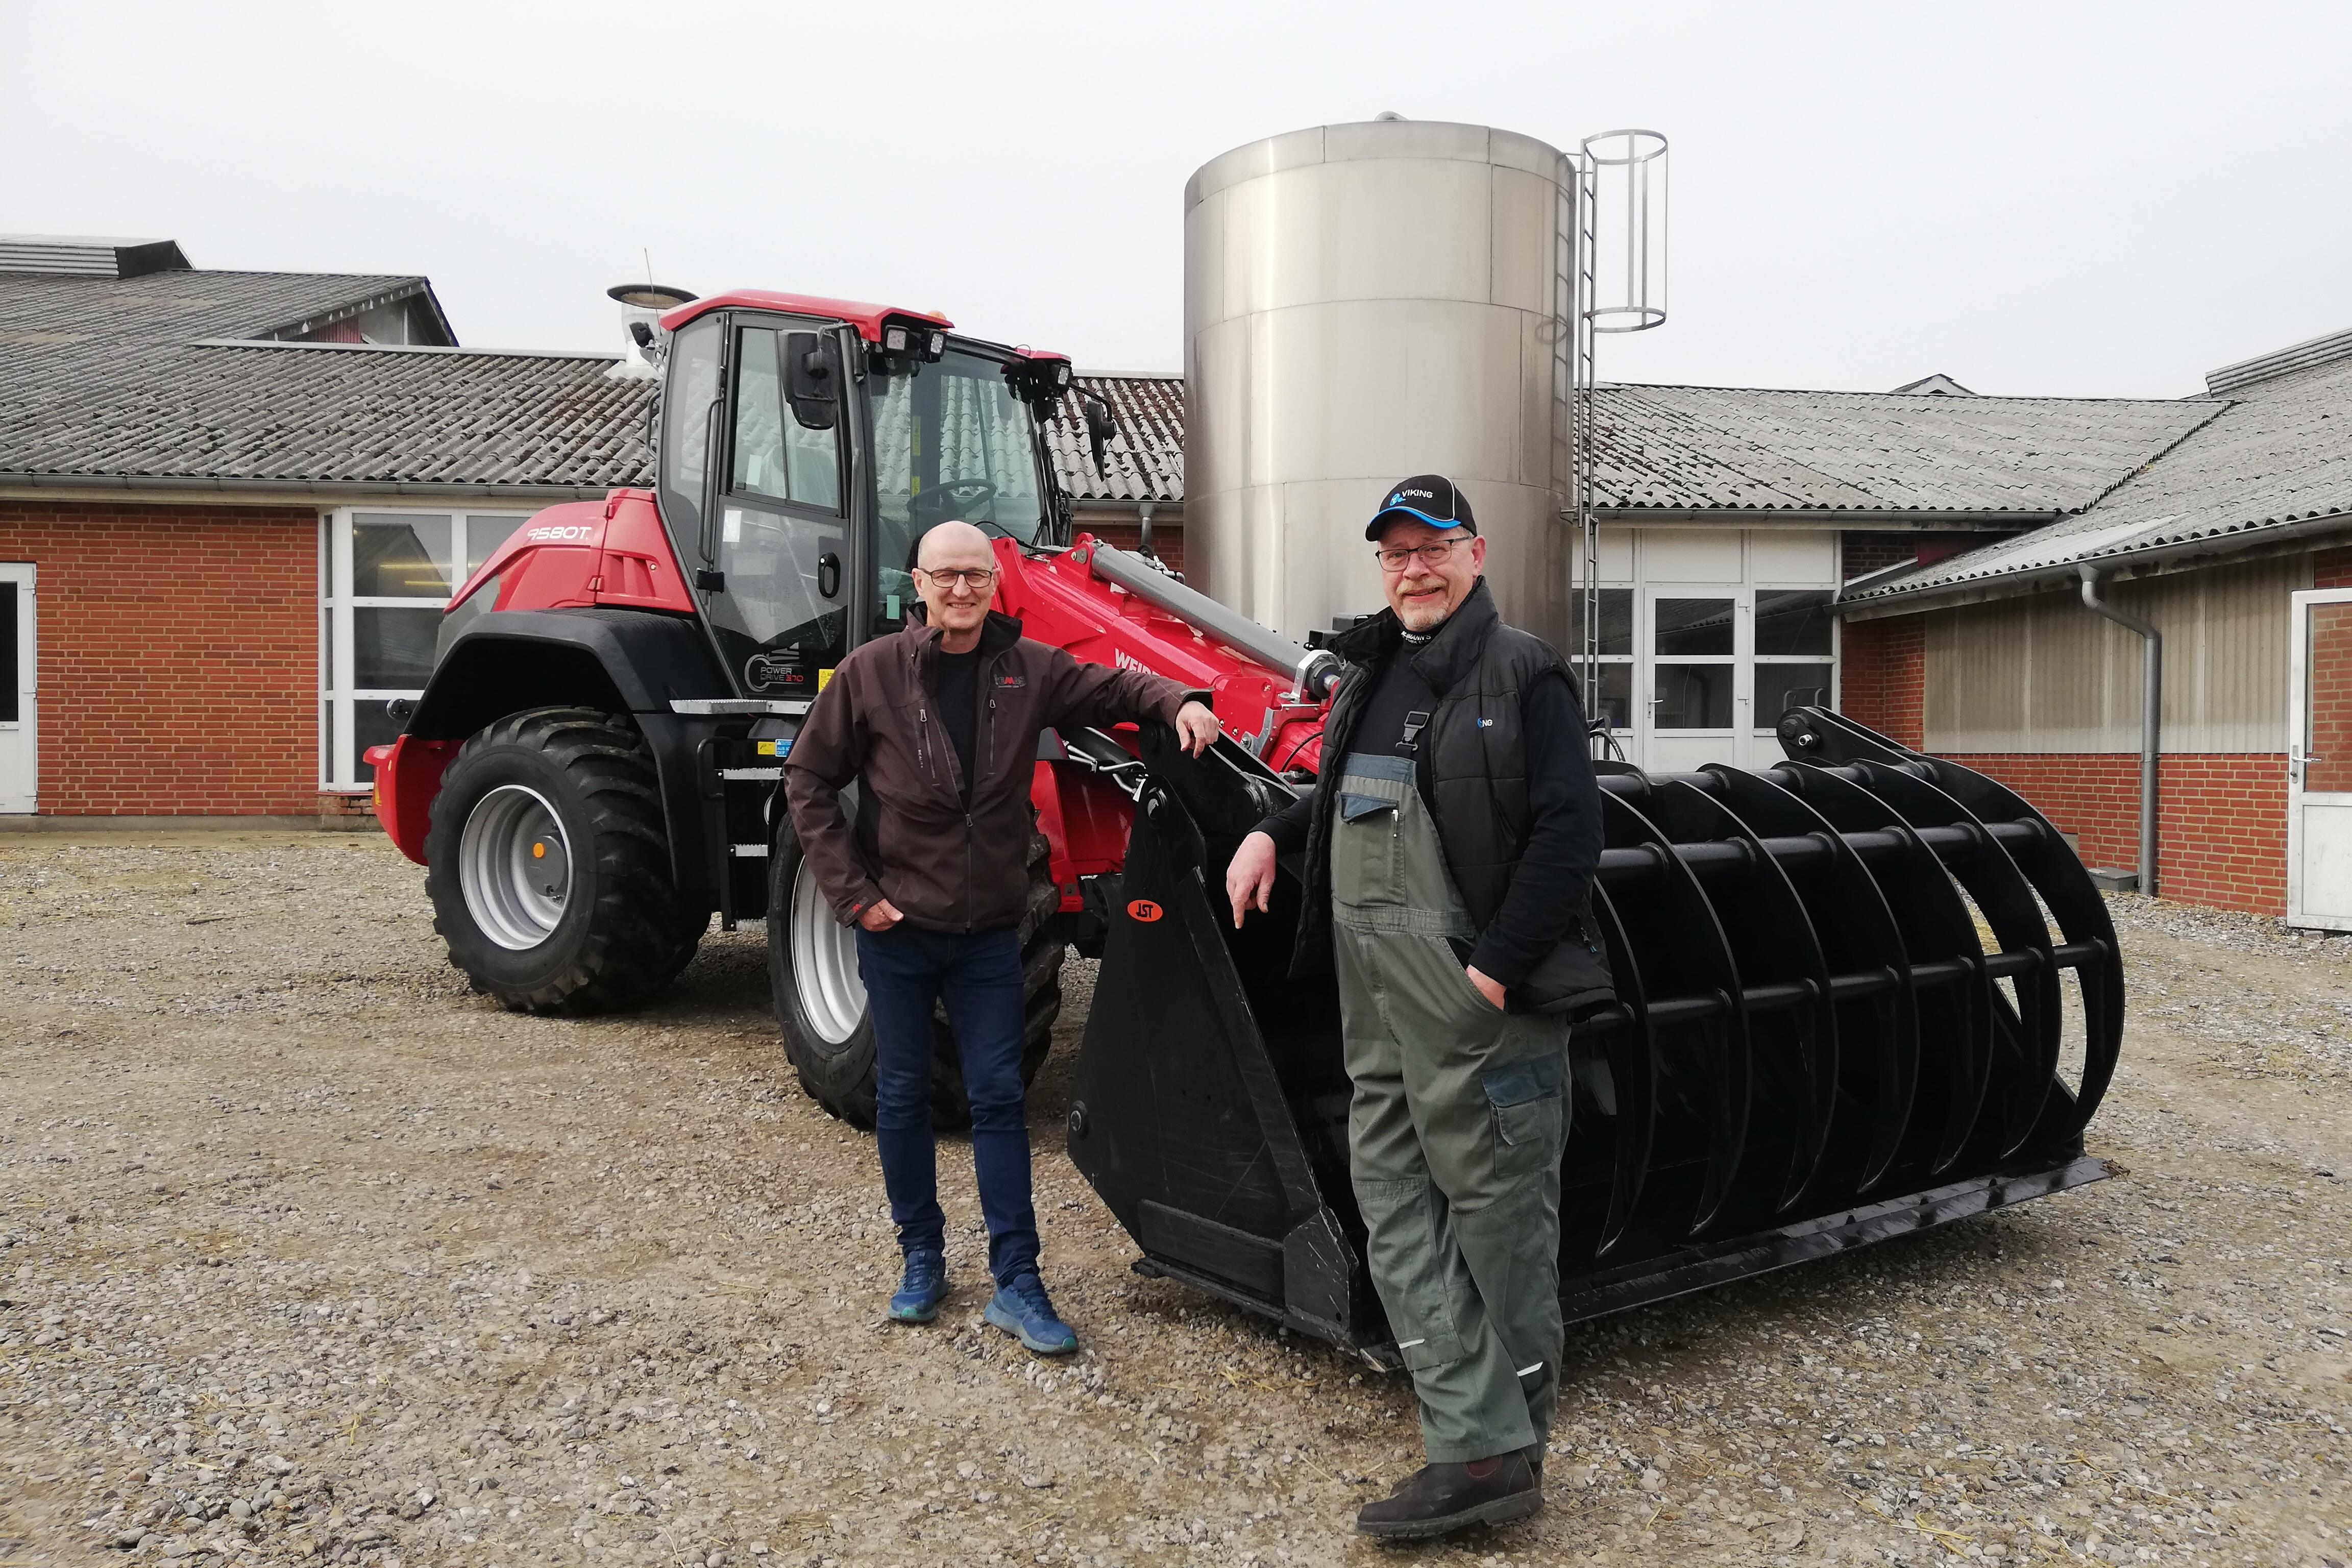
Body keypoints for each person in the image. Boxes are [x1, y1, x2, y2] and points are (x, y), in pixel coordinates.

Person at [1226, 475, 1611, 1539]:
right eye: (1395, 554)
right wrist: (1272, 832)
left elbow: (1569, 837)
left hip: (1473, 999)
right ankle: (1471, 1435)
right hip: (1376, 1007)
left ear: (1475, 555)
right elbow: (1343, 790)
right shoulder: (1375, 673)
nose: (1413, 569)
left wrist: (1490, 972)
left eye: (1431, 549)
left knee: (1499, 1225)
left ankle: (1510, 1445)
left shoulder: (1522, 673)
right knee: (1394, 1211)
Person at [785, 520, 1220, 1356]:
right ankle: (922, 1258)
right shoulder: (873, 674)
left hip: (989, 939)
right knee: (904, 1100)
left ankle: (1018, 1281)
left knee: (999, 1104)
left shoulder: (1029, 670)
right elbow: (807, 778)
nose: (961, 591)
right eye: (945, 577)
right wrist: (855, 898)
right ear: (917, 583)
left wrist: (1181, 700)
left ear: (994, 583)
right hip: (900, 935)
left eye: (976, 577)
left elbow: (1116, 689)